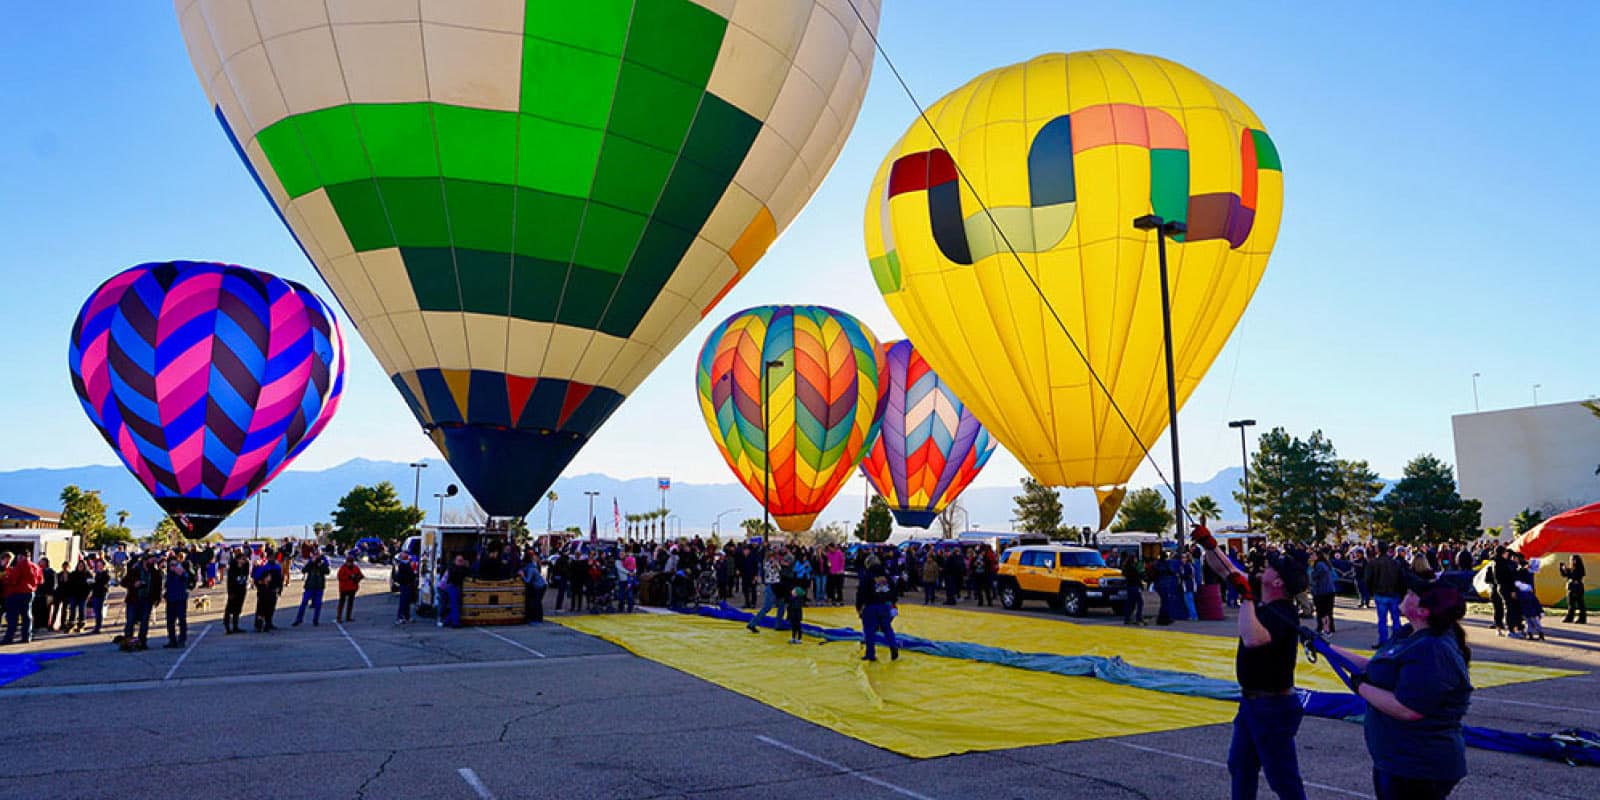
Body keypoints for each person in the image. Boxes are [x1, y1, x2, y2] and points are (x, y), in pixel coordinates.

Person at [1329, 583, 1473, 800]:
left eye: (1412, 594)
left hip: (1418, 767)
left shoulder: (1432, 649)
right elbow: (1375, 668)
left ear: (1423, 611)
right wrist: (1326, 648)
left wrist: (1360, 686)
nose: (1404, 595)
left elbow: (1408, 709)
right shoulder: (1410, 634)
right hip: (1397, 761)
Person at [1222, 551, 1310, 800]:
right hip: (1252, 702)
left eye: (1271, 568)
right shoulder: (1265, 599)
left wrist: (1246, 598)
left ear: (1279, 582)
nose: (1265, 568)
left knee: (1282, 777)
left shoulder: (1283, 612)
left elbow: (1253, 638)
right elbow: (1227, 570)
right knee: (1240, 765)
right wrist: (1208, 545)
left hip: (1273, 706)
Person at [855, 558, 900, 662]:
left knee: (869, 631)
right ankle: (893, 647)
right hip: (885, 606)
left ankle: (870, 654)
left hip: (871, 606)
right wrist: (893, 602)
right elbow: (894, 590)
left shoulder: (867, 576)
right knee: (887, 628)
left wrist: (858, 606)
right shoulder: (886, 576)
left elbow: (861, 592)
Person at [1365, 543, 1406, 646]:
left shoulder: (1374, 563)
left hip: (1380, 593)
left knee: (1382, 620)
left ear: (1378, 550)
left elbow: (1368, 579)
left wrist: (1371, 591)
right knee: (1395, 618)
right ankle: (1397, 639)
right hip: (1393, 593)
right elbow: (1401, 579)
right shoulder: (1395, 563)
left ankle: (1383, 640)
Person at [1, 551, 43, 645]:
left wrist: (6, 580)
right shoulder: (36, 567)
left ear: (21, 556)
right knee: (27, 616)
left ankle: (9, 637)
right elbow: (40, 581)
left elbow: (13, 580)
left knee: (12, 617)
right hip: (30, 593)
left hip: (16, 593)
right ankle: (27, 636)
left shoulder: (20, 566)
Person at [747, 551, 786, 633]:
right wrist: (775, 564)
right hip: (771, 586)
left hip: (778, 586)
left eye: (774, 556)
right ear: (769, 557)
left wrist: (778, 564)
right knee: (767, 607)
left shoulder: (776, 562)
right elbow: (769, 569)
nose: (773, 558)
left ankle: (778, 625)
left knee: (782, 605)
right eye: (772, 556)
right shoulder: (767, 564)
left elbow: (780, 570)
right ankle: (752, 624)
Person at [293, 548, 330, 626]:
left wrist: (321, 565)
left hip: (319, 586)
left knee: (318, 604)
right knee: (303, 603)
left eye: (318, 554)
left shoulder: (323, 561)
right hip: (309, 586)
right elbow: (304, 570)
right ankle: (299, 619)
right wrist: (311, 563)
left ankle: (315, 620)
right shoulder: (310, 562)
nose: (316, 556)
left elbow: (327, 571)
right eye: (315, 554)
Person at [252, 552, 284, 632]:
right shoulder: (263, 567)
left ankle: (268, 623)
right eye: (271, 557)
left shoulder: (277, 567)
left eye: (273, 557)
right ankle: (259, 625)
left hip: (273, 591)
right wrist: (261, 583)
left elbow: (280, 579)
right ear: (268, 558)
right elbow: (256, 579)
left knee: (271, 608)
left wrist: (280, 589)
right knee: (261, 608)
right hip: (263, 591)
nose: (272, 559)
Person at [163, 558, 191, 648]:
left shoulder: (182, 573)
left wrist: (181, 572)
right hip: (170, 600)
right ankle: (172, 640)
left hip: (180, 600)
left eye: (175, 565)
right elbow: (166, 586)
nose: (173, 567)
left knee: (182, 620)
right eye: (171, 565)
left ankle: (182, 639)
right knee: (170, 621)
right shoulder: (169, 575)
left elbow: (187, 579)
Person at [1310, 550, 1337, 635]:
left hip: (1321, 591)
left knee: (1321, 611)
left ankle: (1322, 627)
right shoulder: (1326, 564)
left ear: (1317, 556)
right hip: (1329, 590)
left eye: (1313, 555)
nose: (1311, 556)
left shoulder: (1319, 565)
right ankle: (1330, 627)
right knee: (1328, 610)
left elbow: (1314, 576)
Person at [223, 550, 250, 634]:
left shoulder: (245, 567)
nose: (243, 561)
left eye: (244, 560)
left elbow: (247, 575)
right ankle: (227, 627)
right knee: (229, 609)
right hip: (233, 591)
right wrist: (230, 592)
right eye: (242, 559)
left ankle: (235, 626)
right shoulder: (232, 568)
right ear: (238, 560)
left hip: (241, 590)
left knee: (238, 609)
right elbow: (229, 581)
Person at [1121, 552, 1146, 625]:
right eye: (1135, 558)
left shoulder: (1126, 568)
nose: (1136, 560)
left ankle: (1127, 618)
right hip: (1134, 586)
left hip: (1129, 586)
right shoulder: (1133, 568)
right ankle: (1138, 618)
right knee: (1140, 602)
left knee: (1130, 603)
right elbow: (1137, 577)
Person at [1560, 555, 1587, 624]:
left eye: (1572, 560)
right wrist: (1562, 569)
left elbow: (1575, 576)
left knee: (1580, 603)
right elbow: (1565, 575)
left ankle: (1582, 618)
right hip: (1571, 587)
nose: (1571, 561)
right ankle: (1570, 617)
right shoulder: (1571, 569)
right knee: (1571, 604)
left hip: (1577, 587)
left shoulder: (1579, 569)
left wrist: (1567, 570)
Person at [336, 556, 364, 623]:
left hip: (353, 588)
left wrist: (357, 578)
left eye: (351, 562)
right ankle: (339, 617)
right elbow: (339, 577)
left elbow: (361, 576)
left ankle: (348, 616)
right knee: (341, 603)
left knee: (350, 603)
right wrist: (349, 577)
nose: (349, 563)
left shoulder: (355, 568)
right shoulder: (343, 568)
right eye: (348, 562)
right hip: (344, 588)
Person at [393, 553, 418, 624]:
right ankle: (400, 618)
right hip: (405, 585)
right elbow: (410, 575)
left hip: (405, 585)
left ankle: (406, 617)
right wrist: (414, 576)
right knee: (403, 602)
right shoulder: (404, 565)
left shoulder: (402, 565)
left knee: (406, 602)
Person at [521, 555, 547, 623]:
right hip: (541, 585)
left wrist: (522, 575)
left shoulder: (530, 569)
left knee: (537, 602)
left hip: (540, 587)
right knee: (537, 602)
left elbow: (527, 581)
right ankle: (538, 618)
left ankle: (538, 619)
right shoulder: (531, 567)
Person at [89, 560, 111, 634]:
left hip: (101, 594)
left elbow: (104, 584)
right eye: (98, 565)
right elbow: (95, 584)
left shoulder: (106, 574)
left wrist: (95, 582)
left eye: (100, 565)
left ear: (103, 566)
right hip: (95, 593)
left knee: (98, 611)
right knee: (96, 610)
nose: (99, 566)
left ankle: (98, 627)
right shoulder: (97, 574)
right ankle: (97, 626)